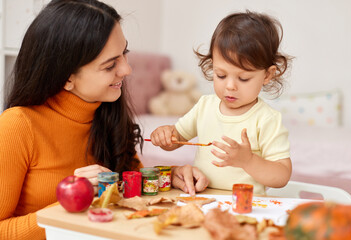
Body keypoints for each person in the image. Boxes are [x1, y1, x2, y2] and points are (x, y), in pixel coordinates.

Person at [0, 1, 206, 239]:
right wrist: (71, 205)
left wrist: (170, 175)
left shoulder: (108, 113)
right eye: (110, 65)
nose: (127, 70)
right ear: (67, 78)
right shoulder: (17, 126)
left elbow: (128, 188)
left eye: (124, 54)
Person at [150, 11, 292, 196]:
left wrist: (247, 160)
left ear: (267, 75)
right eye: (221, 75)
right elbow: (176, 139)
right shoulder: (204, 106)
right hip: (202, 199)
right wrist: (165, 136)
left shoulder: (266, 119)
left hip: (246, 206)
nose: (230, 86)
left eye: (243, 78)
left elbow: (282, 176)